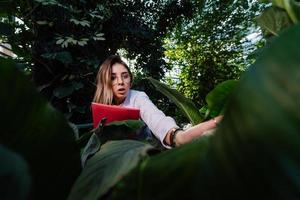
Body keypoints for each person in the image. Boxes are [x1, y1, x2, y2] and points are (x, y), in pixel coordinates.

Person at [93, 55, 222, 148]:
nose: (121, 82)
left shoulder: (138, 97)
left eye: (125, 76)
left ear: (130, 79)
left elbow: (157, 119)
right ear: (105, 82)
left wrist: (177, 135)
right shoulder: (100, 106)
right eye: (113, 77)